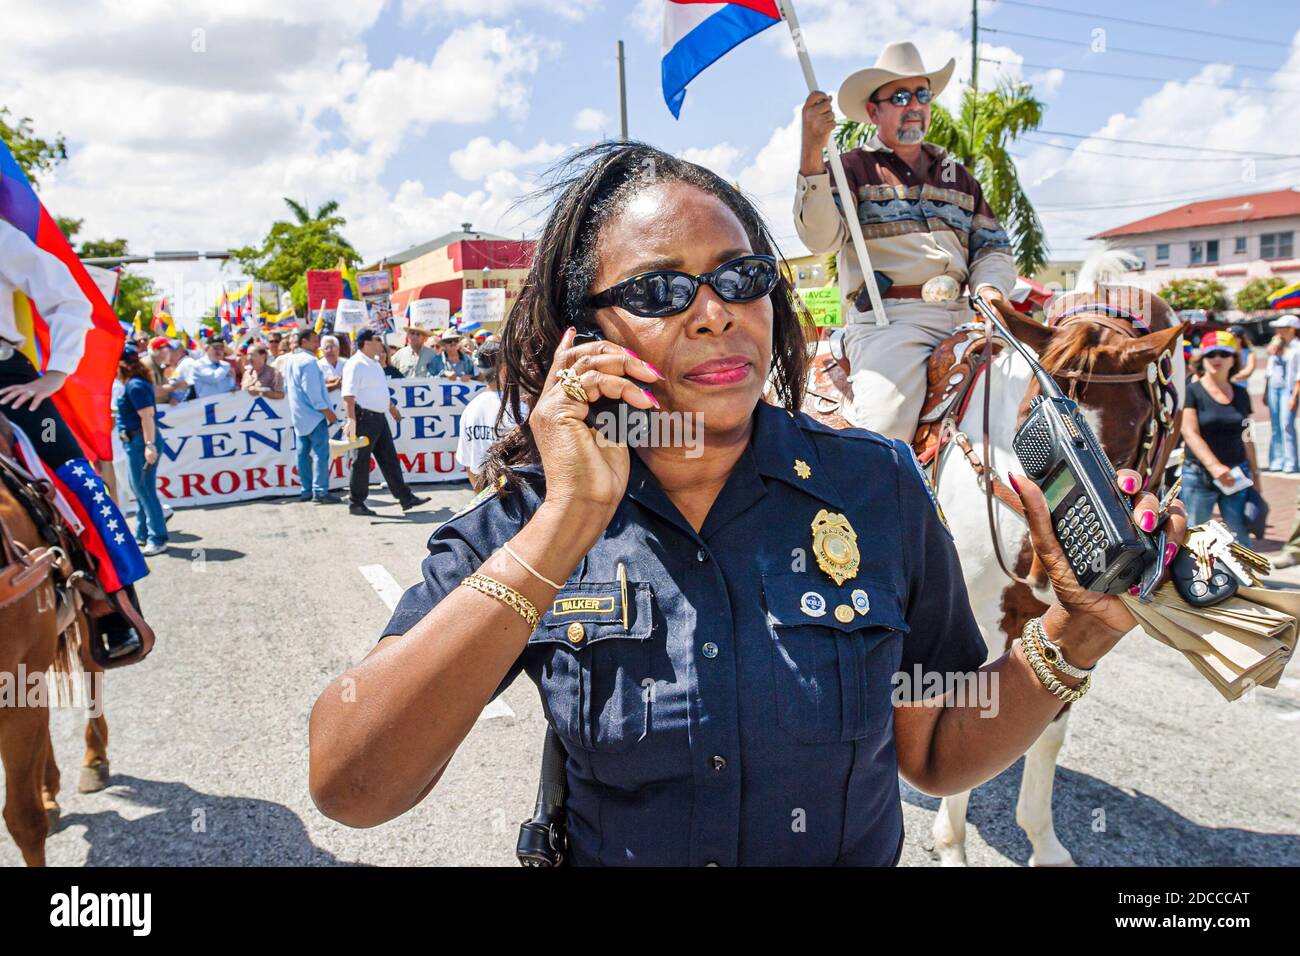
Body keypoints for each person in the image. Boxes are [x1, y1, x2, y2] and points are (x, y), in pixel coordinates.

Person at [308, 142, 1185, 864]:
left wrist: (1076, 637)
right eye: (659, 290)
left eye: (740, 276)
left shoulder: (876, 484)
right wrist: (567, 522)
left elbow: (936, 748)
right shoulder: (528, 517)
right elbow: (352, 786)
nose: (713, 312)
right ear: (587, 331)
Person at [793, 41, 1016, 442]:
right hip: (890, 323)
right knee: (885, 430)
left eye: (922, 94)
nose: (914, 104)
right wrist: (812, 152)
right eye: (900, 96)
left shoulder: (958, 175)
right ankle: (875, 500)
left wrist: (990, 291)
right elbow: (821, 239)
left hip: (967, 318)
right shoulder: (850, 170)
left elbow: (992, 247)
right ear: (874, 111)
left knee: (1039, 391)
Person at [0, 216, 154, 661]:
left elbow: (70, 299)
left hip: (5, 379)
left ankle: (110, 602)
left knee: (70, 471)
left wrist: (54, 375)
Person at [340, 328, 430, 517]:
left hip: (379, 418)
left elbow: (378, 391)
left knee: (390, 459)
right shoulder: (355, 364)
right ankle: (356, 502)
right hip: (364, 418)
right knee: (361, 462)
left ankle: (405, 497)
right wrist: (351, 420)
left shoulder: (373, 363)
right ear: (366, 342)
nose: (381, 343)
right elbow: (348, 395)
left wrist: (390, 408)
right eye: (377, 339)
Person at [1179, 331, 1257, 545]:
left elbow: (1247, 435)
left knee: (1238, 534)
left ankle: (1241, 578)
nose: (1217, 359)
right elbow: (1189, 432)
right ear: (1202, 359)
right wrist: (1215, 467)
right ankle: (1198, 578)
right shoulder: (1192, 391)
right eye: (1211, 354)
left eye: (1224, 353)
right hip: (1199, 475)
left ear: (1234, 359)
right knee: (1197, 535)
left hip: (1236, 473)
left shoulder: (1241, 394)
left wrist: (1256, 477)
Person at [116, 345, 169, 556]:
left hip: (140, 441)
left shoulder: (135, 385)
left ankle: (158, 538)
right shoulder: (134, 384)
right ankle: (143, 533)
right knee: (139, 489)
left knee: (144, 490)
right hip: (136, 441)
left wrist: (149, 446)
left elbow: (147, 417)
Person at [456, 339, 522, 490]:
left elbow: (469, 465)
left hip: (486, 498)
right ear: (504, 369)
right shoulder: (518, 409)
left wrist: (482, 499)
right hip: (516, 496)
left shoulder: (469, 410)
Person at [285, 328, 341, 504]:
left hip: (299, 415)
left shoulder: (291, 360)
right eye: (314, 340)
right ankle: (320, 491)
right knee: (319, 454)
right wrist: (328, 412)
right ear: (304, 342)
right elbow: (313, 391)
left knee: (302, 454)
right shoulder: (309, 362)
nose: (318, 344)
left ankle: (306, 490)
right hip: (314, 415)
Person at [1264, 314, 1300, 473]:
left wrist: (1294, 396)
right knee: (1275, 426)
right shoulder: (1277, 345)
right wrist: (1265, 390)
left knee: (1287, 425)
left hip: (1288, 390)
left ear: (1292, 329)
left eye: (1282, 328)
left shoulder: (1297, 347)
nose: (1278, 331)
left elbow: (1299, 375)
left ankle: (1291, 462)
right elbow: (1269, 370)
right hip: (1274, 388)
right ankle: (1277, 460)